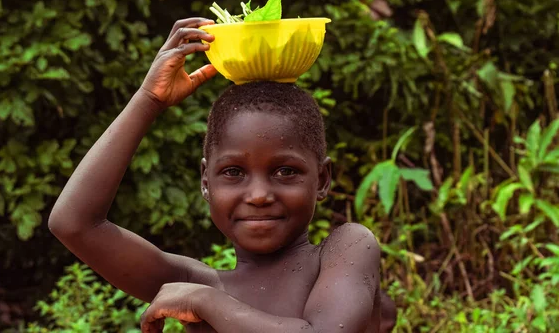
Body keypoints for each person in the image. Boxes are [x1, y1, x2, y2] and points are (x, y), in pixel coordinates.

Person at [49, 18, 396, 333]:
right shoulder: (189, 282)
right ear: (205, 181)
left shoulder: (346, 249)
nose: (259, 194)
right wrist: (148, 99)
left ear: (321, 180)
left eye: (285, 171)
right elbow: (74, 224)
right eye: (233, 172)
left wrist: (206, 303)